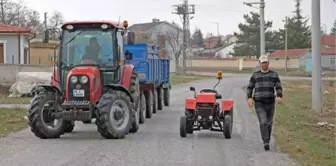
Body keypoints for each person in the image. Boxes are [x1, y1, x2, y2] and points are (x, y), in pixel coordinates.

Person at [246, 54, 283, 151]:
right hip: (259, 103)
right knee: (263, 122)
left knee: (269, 123)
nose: (264, 64)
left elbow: (278, 86)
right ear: (260, 64)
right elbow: (250, 87)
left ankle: (267, 139)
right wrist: (249, 98)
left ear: (268, 63)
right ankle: (266, 142)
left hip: (270, 103)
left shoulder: (274, 75)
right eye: (263, 63)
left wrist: (279, 96)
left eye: (266, 63)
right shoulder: (255, 75)